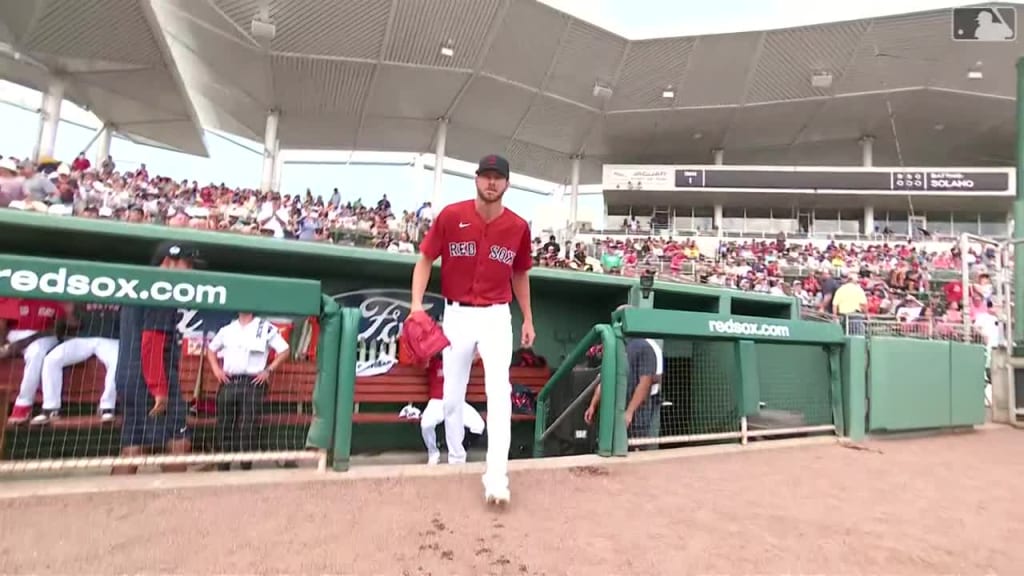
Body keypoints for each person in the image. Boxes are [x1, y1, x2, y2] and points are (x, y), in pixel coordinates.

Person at [411, 154, 535, 506]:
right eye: (486, 176)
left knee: (499, 394)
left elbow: (520, 273)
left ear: (507, 184)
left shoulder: (518, 227)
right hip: (457, 314)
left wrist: (527, 317)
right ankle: (456, 460)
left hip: (497, 315)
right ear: (476, 179)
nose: (491, 182)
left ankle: (497, 477)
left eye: (498, 177)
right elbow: (424, 260)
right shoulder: (452, 215)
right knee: (451, 397)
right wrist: (416, 306)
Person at [112, 241, 202, 475]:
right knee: (178, 442)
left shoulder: (138, 284)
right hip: (151, 379)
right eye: (188, 264)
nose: (191, 270)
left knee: (133, 442)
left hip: (128, 375)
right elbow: (152, 342)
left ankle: (116, 497)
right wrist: (159, 389)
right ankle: (173, 503)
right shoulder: (160, 288)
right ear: (169, 262)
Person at [205, 311, 291, 471]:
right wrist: (217, 370)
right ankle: (223, 465)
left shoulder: (264, 327)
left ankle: (246, 465)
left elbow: (284, 350)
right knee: (225, 424)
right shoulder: (228, 329)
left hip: (252, 382)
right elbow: (211, 350)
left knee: (247, 425)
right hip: (230, 381)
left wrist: (268, 371)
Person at [34, 302, 121, 425]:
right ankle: (50, 407)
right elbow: (73, 323)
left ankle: (107, 406)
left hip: (111, 338)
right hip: (83, 338)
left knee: (117, 362)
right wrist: (68, 314)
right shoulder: (84, 291)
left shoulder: (122, 290)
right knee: (51, 359)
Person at [2, 298, 69, 424]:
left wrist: (25, 342)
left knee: (36, 352)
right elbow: (3, 325)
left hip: (44, 336)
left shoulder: (54, 300)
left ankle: (23, 405)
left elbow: (58, 331)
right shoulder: (13, 297)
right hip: (16, 334)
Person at [420, 352, 486, 465]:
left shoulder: (460, 361)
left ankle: (459, 450)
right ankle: (433, 453)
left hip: (457, 401)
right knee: (426, 424)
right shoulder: (433, 361)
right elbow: (422, 360)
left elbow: (477, 355)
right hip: (437, 401)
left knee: (478, 426)